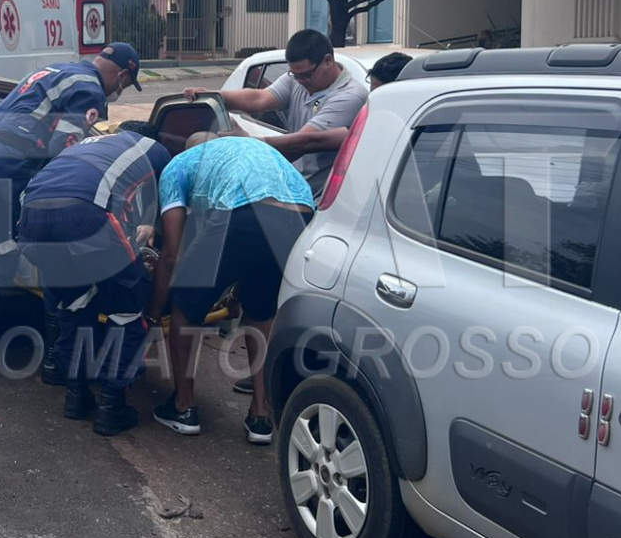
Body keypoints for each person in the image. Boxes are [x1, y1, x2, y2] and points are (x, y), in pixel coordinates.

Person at [0, 43, 144, 370]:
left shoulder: (58, 70)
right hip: (14, 161)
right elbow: (66, 150)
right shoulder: (89, 90)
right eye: (126, 84)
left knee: (1, 250)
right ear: (121, 74)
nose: (121, 90)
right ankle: (55, 358)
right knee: (50, 252)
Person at [146, 133, 314, 444]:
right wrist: (234, 291)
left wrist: (155, 312)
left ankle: (183, 407)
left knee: (185, 305)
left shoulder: (178, 165)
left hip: (242, 211)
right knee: (261, 313)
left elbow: (171, 255)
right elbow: (248, 249)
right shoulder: (247, 150)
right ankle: (260, 416)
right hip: (302, 215)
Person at [18, 121, 171, 436]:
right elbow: (166, 205)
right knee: (127, 310)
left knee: (74, 306)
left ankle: (76, 395)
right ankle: (112, 407)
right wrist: (153, 230)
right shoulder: (155, 151)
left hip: (31, 220)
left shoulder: (93, 144)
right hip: (84, 214)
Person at [183, 29, 367, 195]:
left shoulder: (350, 96)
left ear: (328, 60)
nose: (301, 81)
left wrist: (250, 142)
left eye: (307, 75)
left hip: (320, 197)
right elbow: (259, 98)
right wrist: (214, 97)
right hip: (290, 185)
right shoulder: (295, 81)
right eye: (296, 75)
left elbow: (302, 142)